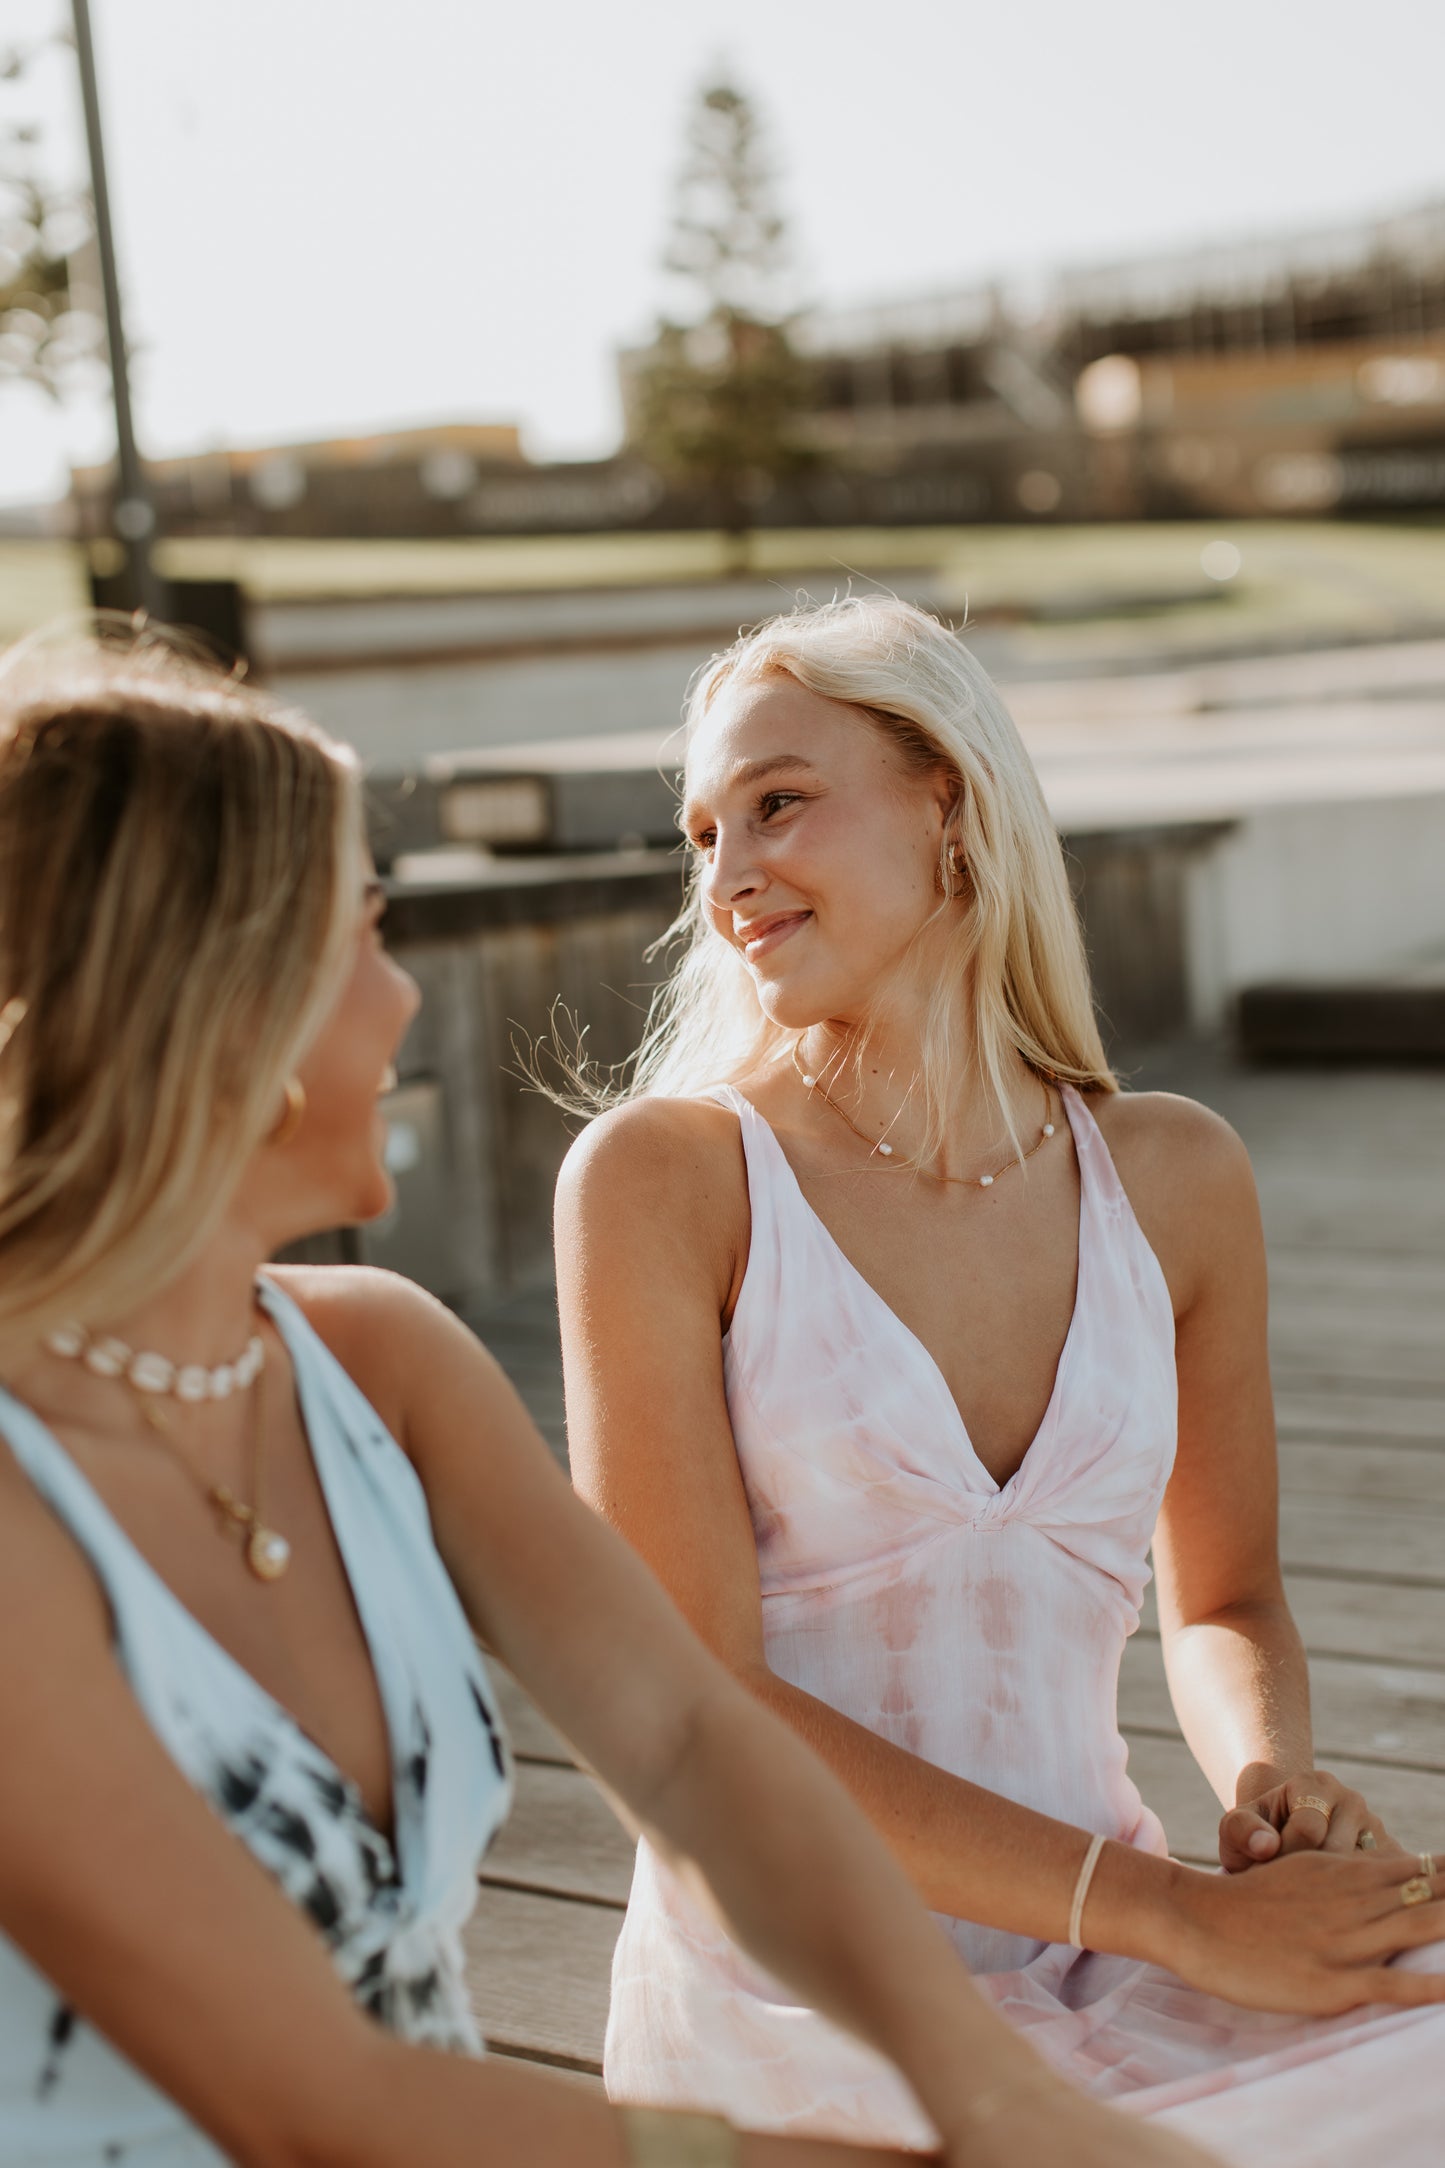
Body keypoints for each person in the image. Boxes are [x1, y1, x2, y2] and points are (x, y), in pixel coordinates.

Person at [0, 623, 1219, 2168]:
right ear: (204, 994)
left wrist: (994, 2097)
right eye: (365, 935)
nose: (408, 1003)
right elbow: (321, 2107)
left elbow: (698, 1744)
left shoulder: (380, 1360)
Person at [555, 595, 1445, 2167]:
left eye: (778, 803)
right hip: (798, 1993)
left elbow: (1225, 1597)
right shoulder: (665, 1181)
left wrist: (1269, 1795)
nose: (728, 876)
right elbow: (687, 1710)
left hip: (1110, 1948)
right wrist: (1175, 1917)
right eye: (701, 836)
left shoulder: (1169, 1176)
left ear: (948, 801)